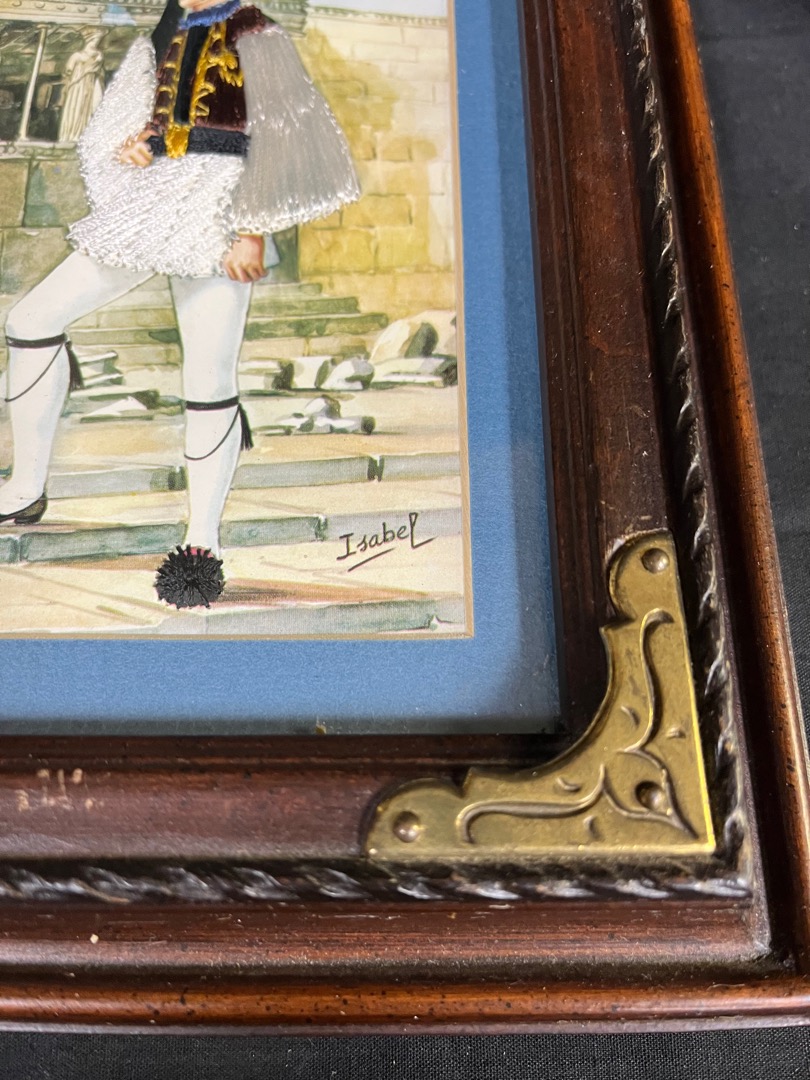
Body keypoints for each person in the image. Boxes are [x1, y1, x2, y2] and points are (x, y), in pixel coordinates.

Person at [0, 0, 359, 609]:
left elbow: (282, 134)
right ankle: (25, 488)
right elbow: (169, 116)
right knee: (31, 320)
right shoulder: (171, 28)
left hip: (223, 206)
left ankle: (201, 544)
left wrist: (251, 230)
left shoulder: (257, 31)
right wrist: (146, 142)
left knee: (209, 376)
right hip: (158, 199)